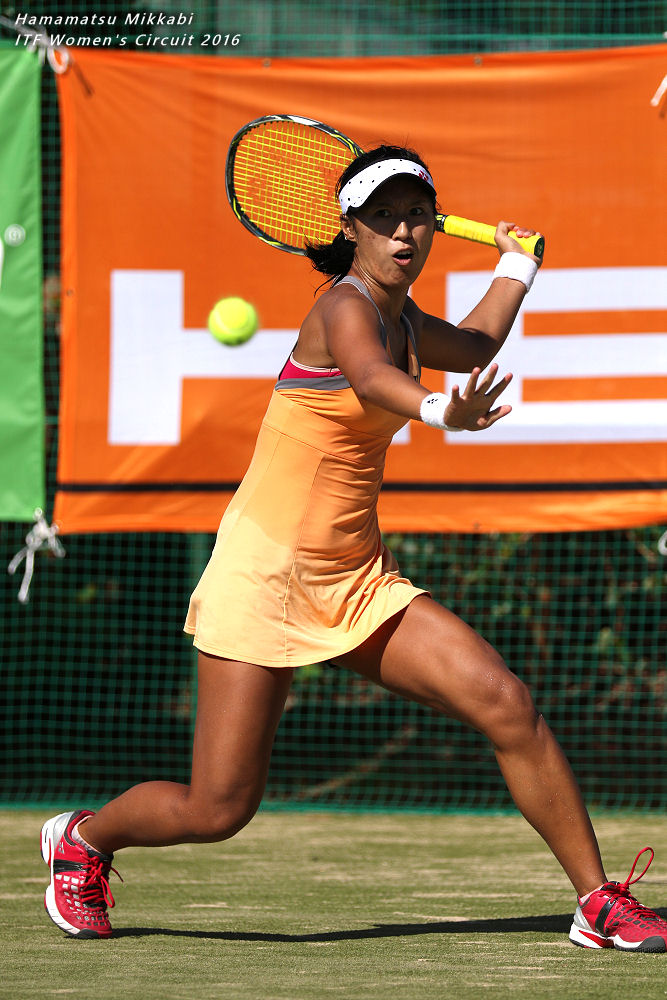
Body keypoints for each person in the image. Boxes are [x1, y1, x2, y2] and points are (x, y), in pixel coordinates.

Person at [41, 145, 667, 953]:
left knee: (505, 703)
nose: (402, 232)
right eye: (383, 216)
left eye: (416, 215)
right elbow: (371, 378)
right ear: (350, 228)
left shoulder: (404, 317)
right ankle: (84, 840)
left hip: (355, 578)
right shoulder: (342, 305)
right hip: (262, 576)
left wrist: (516, 266)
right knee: (218, 808)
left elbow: (473, 345)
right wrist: (440, 412)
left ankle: (597, 902)